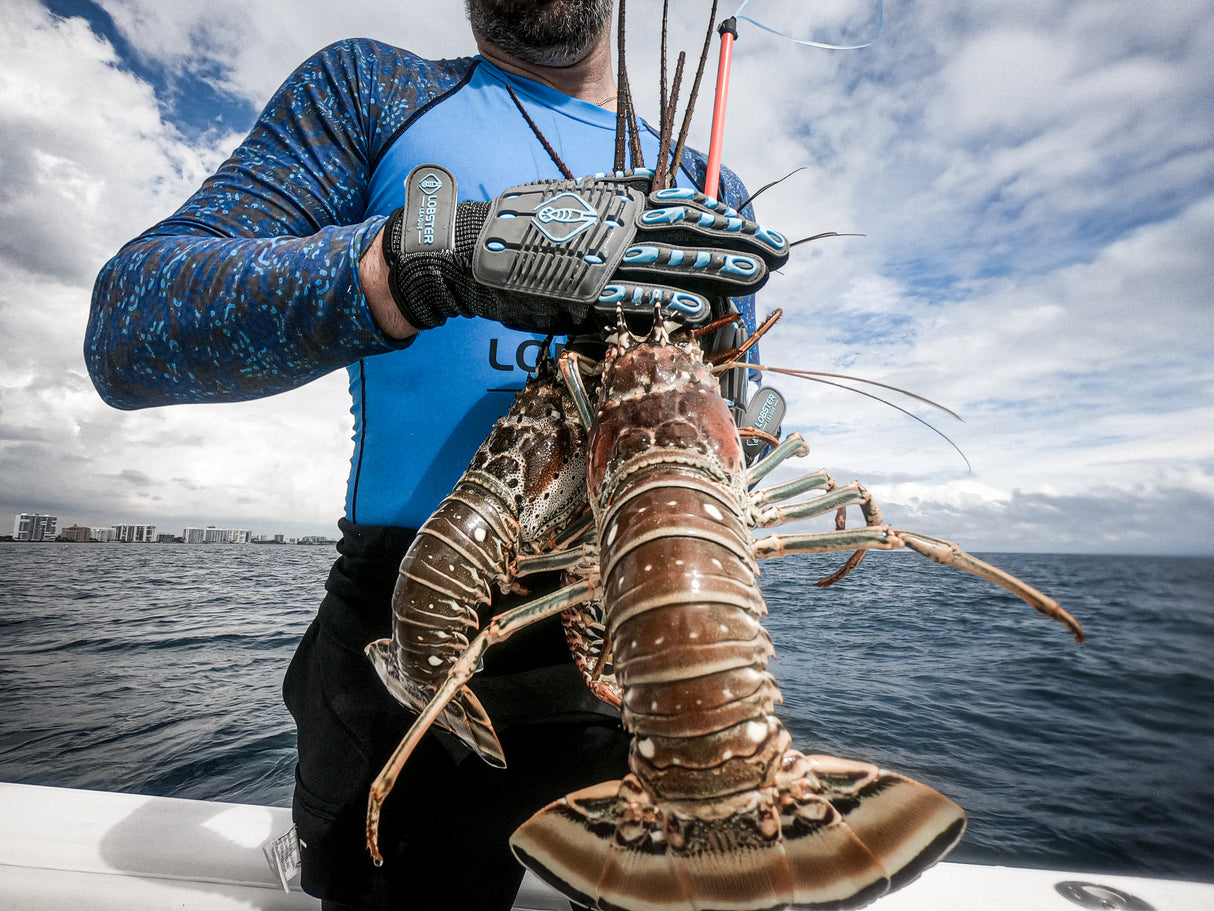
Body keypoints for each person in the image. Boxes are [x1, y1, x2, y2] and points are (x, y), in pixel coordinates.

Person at [85, 2, 787, 909]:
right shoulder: (373, 92)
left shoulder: (706, 177)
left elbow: (748, 421)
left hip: (646, 619)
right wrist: (428, 259)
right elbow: (129, 328)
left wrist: (747, 406)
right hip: (401, 637)